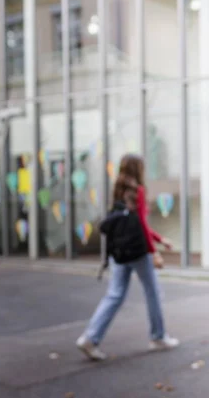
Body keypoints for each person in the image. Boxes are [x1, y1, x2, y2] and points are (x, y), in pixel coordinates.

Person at [76, 154, 179, 360]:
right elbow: (140, 224)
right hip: (137, 251)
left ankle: (90, 338)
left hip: (119, 251)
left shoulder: (118, 190)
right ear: (138, 169)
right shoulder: (138, 191)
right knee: (153, 292)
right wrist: (154, 252)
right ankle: (158, 337)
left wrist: (159, 239)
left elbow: (132, 222)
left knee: (114, 295)